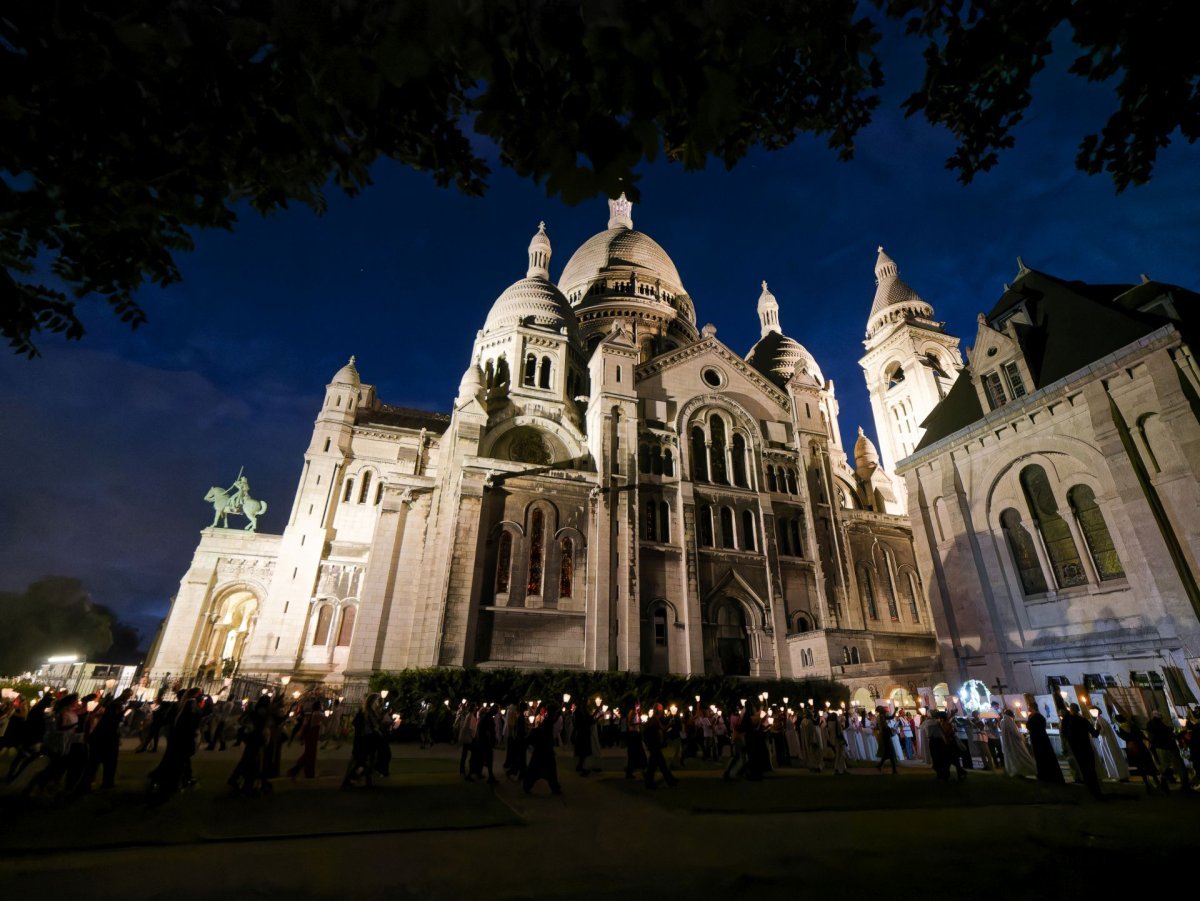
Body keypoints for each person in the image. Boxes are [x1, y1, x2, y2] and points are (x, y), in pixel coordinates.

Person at [87, 688, 133, 790]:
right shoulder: (116, 705)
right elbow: (115, 717)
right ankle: (97, 781)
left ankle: (103, 781)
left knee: (101, 760)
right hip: (107, 735)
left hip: (107, 734)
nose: (129, 697)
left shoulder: (115, 704)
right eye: (129, 695)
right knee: (104, 760)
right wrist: (125, 712)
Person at [1060, 704, 1103, 798]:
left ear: (1070, 710)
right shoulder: (1083, 720)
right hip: (1086, 747)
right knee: (1091, 769)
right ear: (1078, 710)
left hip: (1075, 749)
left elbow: (1064, 735)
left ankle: (1089, 789)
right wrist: (1098, 728)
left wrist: (1066, 747)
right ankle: (1096, 790)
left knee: (1083, 769)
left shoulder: (1066, 722)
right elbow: (1095, 734)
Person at [1146, 710, 1193, 792]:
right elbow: (1170, 734)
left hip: (1159, 748)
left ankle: (1164, 784)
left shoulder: (1150, 725)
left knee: (1164, 767)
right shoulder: (1162, 725)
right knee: (1179, 765)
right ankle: (1185, 785)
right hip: (1169, 747)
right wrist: (1181, 733)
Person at [523, 705, 563, 795]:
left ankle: (554, 787)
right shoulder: (548, 721)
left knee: (541, 770)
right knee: (544, 770)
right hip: (544, 751)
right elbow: (550, 725)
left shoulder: (547, 720)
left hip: (542, 751)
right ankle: (554, 788)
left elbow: (553, 721)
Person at [1025, 703, 1064, 783]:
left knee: (1040, 756)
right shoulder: (1039, 717)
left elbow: (1029, 726)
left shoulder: (1034, 717)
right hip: (1042, 738)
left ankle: (1044, 774)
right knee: (1046, 755)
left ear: (1032, 708)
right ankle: (1048, 774)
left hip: (1037, 739)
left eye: (1029, 707)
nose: (1028, 709)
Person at [642, 704, 678, 789]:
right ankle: (651, 782)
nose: (662, 710)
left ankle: (670, 780)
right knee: (657, 765)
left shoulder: (655, 719)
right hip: (654, 746)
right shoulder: (653, 720)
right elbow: (658, 731)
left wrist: (669, 724)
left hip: (654, 746)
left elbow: (662, 729)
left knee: (659, 765)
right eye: (661, 708)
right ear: (658, 710)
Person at [287, 701, 323, 780]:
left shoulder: (314, 713)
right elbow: (326, 720)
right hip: (312, 737)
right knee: (310, 755)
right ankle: (304, 772)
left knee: (309, 754)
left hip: (311, 737)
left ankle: (300, 771)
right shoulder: (317, 714)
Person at [999, 709, 1037, 778]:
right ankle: (1023, 771)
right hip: (1015, 744)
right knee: (1022, 757)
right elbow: (1015, 733)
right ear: (1011, 715)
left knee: (1011, 759)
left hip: (1007, 744)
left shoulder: (1002, 721)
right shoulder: (1009, 722)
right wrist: (1022, 737)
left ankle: (1013, 772)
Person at [1092, 713, 1129, 782]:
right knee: (1115, 756)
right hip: (1107, 740)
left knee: (1112, 756)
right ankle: (1121, 774)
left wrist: (1096, 730)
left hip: (1106, 741)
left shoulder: (1099, 720)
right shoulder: (1101, 719)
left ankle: (1118, 775)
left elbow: (1102, 731)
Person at [468, 704, 498, 783]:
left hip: (483, 742)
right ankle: (489, 777)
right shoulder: (488, 718)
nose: (496, 713)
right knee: (484, 759)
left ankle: (479, 774)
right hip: (484, 743)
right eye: (496, 711)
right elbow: (487, 732)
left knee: (480, 759)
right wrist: (491, 740)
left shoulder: (486, 716)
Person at [573, 703, 597, 775]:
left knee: (582, 752)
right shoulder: (581, 715)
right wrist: (595, 715)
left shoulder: (578, 714)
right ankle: (584, 768)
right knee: (585, 751)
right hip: (584, 734)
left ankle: (580, 766)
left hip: (581, 734)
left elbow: (588, 721)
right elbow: (589, 722)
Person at [874, 708, 898, 774]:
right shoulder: (882, 716)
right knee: (890, 752)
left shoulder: (878, 717)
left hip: (883, 735)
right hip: (885, 735)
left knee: (888, 753)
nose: (885, 711)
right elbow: (891, 717)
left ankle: (880, 765)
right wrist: (895, 710)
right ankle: (894, 770)